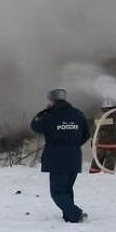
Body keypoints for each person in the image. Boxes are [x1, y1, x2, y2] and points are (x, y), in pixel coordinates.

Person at [31, 88, 90, 223]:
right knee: (67, 189)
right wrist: (73, 145)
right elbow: (86, 134)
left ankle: (75, 214)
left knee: (57, 192)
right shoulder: (78, 114)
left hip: (57, 159)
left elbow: (35, 126)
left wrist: (44, 111)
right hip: (74, 157)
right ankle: (69, 216)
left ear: (51, 101)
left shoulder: (49, 116)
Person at [89, 99, 116, 173]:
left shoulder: (98, 115)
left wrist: (92, 141)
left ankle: (92, 175)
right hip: (112, 145)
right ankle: (107, 177)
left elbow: (94, 129)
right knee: (109, 164)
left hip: (100, 144)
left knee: (96, 162)